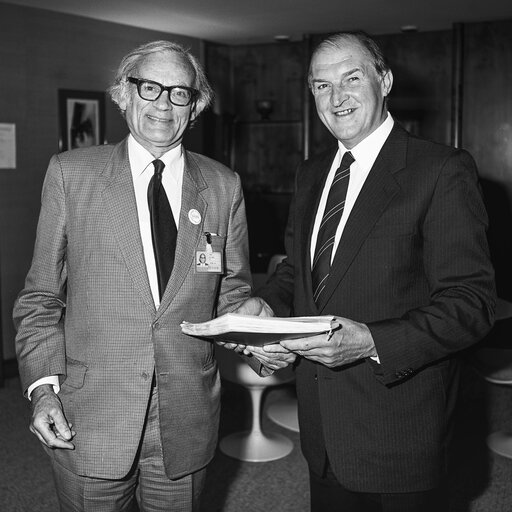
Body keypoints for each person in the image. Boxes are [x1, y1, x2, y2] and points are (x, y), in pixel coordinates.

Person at [228, 31, 496, 511]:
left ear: (385, 80)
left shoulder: (440, 169)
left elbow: (471, 304)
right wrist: (265, 305)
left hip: (400, 427)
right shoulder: (310, 173)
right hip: (322, 428)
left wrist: (372, 341)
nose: (337, 97)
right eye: (321, 85)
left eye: (352, 78)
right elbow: (300, 272)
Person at [13, 40, 257, 512]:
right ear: (124, 95)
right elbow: (40, 298)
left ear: (196, 106)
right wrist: (43, 391)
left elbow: (233, 290)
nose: (164, 104)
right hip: (88, 419)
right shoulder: (71, 175)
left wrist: (257, 323)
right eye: (150, 88)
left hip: (186, 420)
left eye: (180, 93)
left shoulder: (223, 186)